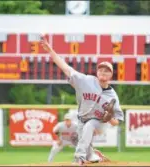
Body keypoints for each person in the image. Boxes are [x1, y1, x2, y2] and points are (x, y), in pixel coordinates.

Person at [41, 35, 124, 165]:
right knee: (88, 148)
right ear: (97, 72)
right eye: (101, 69)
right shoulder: (85, 81)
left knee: (90, 125)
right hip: (81, 120)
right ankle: (94, 155)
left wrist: (110, 118)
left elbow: (116, 122)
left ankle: (79, 157)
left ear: (111, 75)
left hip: (99, 123)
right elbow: (65, 68)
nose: (103, 71)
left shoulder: (113, 96)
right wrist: (50, 51)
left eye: (107, 71)